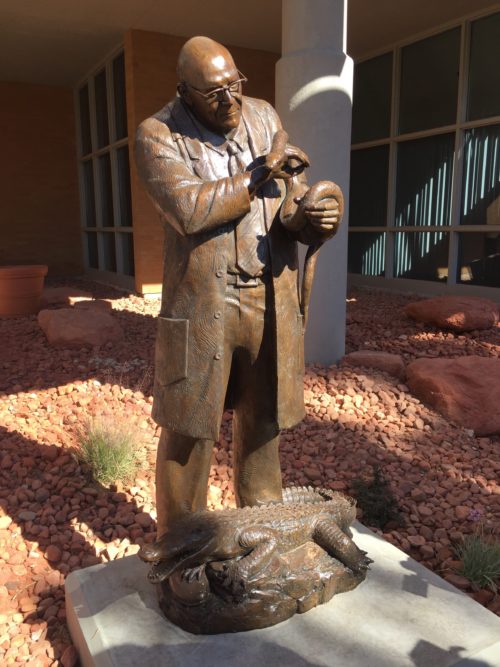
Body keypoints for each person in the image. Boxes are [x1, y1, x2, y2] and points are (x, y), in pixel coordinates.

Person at [134, 36, 342, 544]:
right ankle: (182, 540)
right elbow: (189, 210)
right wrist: (255, 178)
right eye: (214, 94)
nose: (230, 101)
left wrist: (315, 215)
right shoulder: (156, 135)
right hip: (203, 304)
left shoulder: (264, 117)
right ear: (185, 92)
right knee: (189, 430)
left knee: (263, 420)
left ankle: (263, 524)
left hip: (267, 297)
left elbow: (289, 202)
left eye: (235, 86)